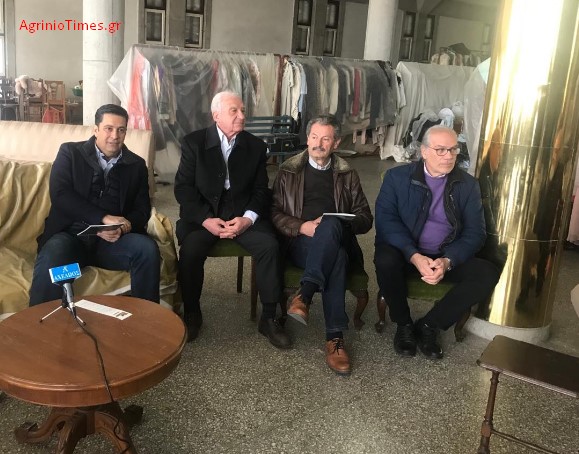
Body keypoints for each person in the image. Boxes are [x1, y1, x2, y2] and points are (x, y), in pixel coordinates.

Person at [174, 91, 291, 348]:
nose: (241, 116)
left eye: (243, 110)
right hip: (204, 215)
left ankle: (269, 317)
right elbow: (183, 189)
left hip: (242, 213)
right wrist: (206, 219)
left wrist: (248, 219)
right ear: (216, 115)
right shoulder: (194, 143)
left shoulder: (255, 146)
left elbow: (261, 190)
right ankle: (192, 312)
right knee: (191, 250)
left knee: (270, 246)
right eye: (234, 111)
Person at [374, 125, 500, 359]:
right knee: (385, 259)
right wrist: (414, 255)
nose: (449, 156)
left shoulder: (467, 185)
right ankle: (403, 324)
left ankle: (430, 325)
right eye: (441, 150)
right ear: (424, 152)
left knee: (487, 273)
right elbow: (386, 222)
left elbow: (475, 233)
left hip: (444, 255)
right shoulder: (397, 178)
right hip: (406, 253)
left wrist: (448, 261)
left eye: (453, 149)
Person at [272, 115, 373, 375]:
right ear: (307, 139)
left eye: (326, 139)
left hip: (339, 238)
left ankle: (304, 294)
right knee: (335, 256)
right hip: (300, 243)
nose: (319, 143)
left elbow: (365, 218)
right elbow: (273, 213)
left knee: (330, 225)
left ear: (336, 143)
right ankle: (334, 338)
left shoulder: (347, 174)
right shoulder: (288, 171)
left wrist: (341, 223)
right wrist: (302, 227)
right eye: (314, 137)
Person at [29, 104, 160, 306]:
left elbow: (142, 210)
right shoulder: (70, 153)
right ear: (96, 129)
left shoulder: (136, 165)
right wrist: (103, 218)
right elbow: (60, 195)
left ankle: (147, 318)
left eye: (121, 130)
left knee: (147, 249)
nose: (115, 136)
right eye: (108, 128)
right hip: (70, 236)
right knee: (53, 256)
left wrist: (120, 228)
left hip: (113, 242)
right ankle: (39, 321)